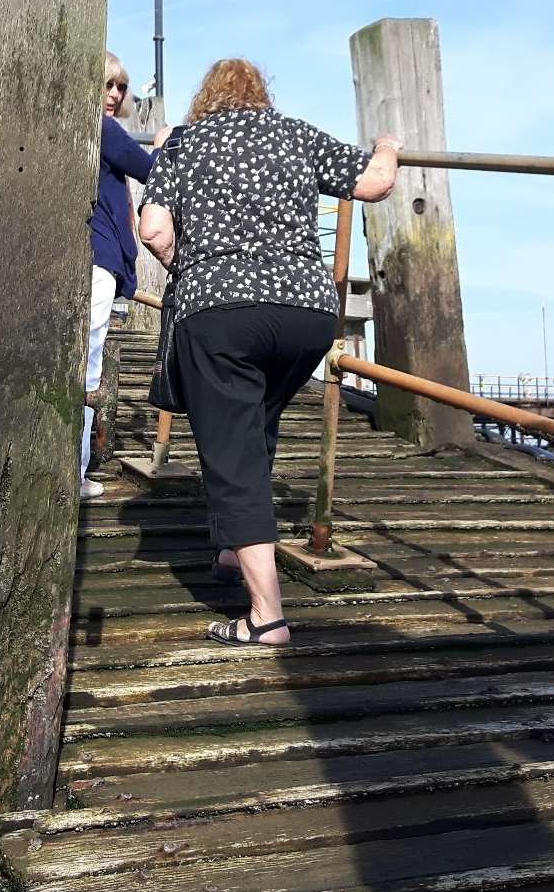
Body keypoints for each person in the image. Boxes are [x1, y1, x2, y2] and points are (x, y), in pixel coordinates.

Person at [138, 58, 400, 646]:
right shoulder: (296, 134)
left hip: (222, 312)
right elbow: (376, 182)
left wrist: (192, 267)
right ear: (263, 95)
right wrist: (388, 143)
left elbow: (153, 228)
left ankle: (267, 617)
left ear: (206, 97)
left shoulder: (185, 142)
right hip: (306, 314)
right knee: (254, 423)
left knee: (231, 452)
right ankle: (236, 548)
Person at [80, 52, 168, 500]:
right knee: (87, 362)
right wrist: (167, 142)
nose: (114, 95)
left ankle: (70, 466)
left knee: (81, 357)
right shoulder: (103, 129)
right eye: (106, 84)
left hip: (84, 257)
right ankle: (72, 470)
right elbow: (153, 169)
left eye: (120, 86)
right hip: (98, 259)